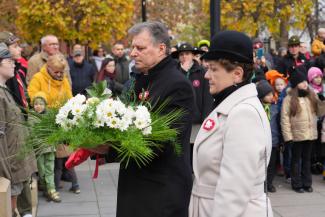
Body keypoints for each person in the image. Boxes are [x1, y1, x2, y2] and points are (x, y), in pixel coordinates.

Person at [91, 21, 194, 217]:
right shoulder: (142, 79)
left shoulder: (177, 85)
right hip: (136, 185)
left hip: (160, 192)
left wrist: (107, 149)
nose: (133, 53)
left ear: (161, 49)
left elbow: (159, 143)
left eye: (140, 48)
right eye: (133, 47)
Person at [189, 30, 273, 217]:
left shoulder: (243, 114)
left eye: (213, 69)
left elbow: (233, 194)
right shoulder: (230, 105)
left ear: (237, 74)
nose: (206, 75)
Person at [27, 54, 80, 195]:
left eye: (61, 72)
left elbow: (69, 98)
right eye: (56, 72)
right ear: (48, 68)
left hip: (62, 122)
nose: (59, 75)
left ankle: (57, 185)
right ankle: (49, 184)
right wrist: (45, 106)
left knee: (63, 155)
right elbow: (33, 94)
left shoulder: (64, 80)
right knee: (51, 156)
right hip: (46, 121)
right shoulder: (38, 78)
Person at [0, 43, 37, 217]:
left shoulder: (4, 90)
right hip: (11, 169)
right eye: (9, 60)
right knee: (9, 211)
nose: (14, 63)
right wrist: (7, 176)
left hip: (18, 164)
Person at [281, 70, 325, 193]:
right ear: (296, 84)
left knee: (307, 159)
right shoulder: (289, 99)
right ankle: (296, 183)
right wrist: (288, 137)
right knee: (296, 160)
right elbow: (284, 119)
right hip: (296, 135)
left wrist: (321, 102)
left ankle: (307, 183)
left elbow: (320, 113)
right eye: (301, 82)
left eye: (305, 81)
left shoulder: (311, 95)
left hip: (310, 134)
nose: (305, 84)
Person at [30, 92, 60, 202]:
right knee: (41, 170)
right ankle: (45, 188)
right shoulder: (31, 116)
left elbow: (54, 131)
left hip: (49, 147)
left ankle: (51, 189)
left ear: (45, 104)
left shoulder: (50, 115)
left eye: (41, 104)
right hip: (39, 149)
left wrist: (52, 140)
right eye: (36, 104)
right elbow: (32, 133)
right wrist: (41, 143)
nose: (38, 106)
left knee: (50, 169)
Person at [256, 80, 280, 193]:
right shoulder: (257, 108)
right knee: (261, 165)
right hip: (260, 141)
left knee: (272, 164)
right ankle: (260, 184)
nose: (271, 96)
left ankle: (269, 183)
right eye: (268, 94)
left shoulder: (274, 108)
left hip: (273, 140)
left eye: (272, 94)